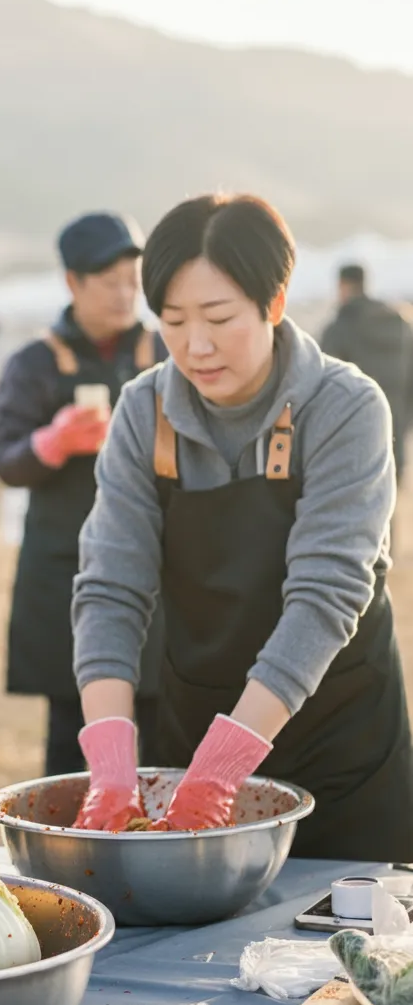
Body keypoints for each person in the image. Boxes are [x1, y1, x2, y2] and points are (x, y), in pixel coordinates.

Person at [71, 193, 413, 859]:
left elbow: (325, 593)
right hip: (189, 738)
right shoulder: (143, 412)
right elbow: (110, 587)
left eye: (219, 318)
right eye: (171, 321)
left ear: (274, 303)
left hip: (337, 737)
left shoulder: (343, 408)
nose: (195, 347)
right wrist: (111, 766)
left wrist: (225, 767)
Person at [0, 213, 166, 775]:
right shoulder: (36, 362)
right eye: (109, 281)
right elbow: (6, 462)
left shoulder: (162, 349)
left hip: (161, 559)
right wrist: (52, 441)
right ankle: (67, 853)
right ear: (72, 282)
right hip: (67, 561)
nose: (124, 295)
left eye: (131, 281)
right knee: (74, 722)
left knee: (165, 713)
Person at [320, 263, 413, 486]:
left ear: (342, 286)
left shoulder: (340, 327)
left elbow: (322, 388)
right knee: (389, 504)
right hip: (395, 432)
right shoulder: (399, 323)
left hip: (354, 439)